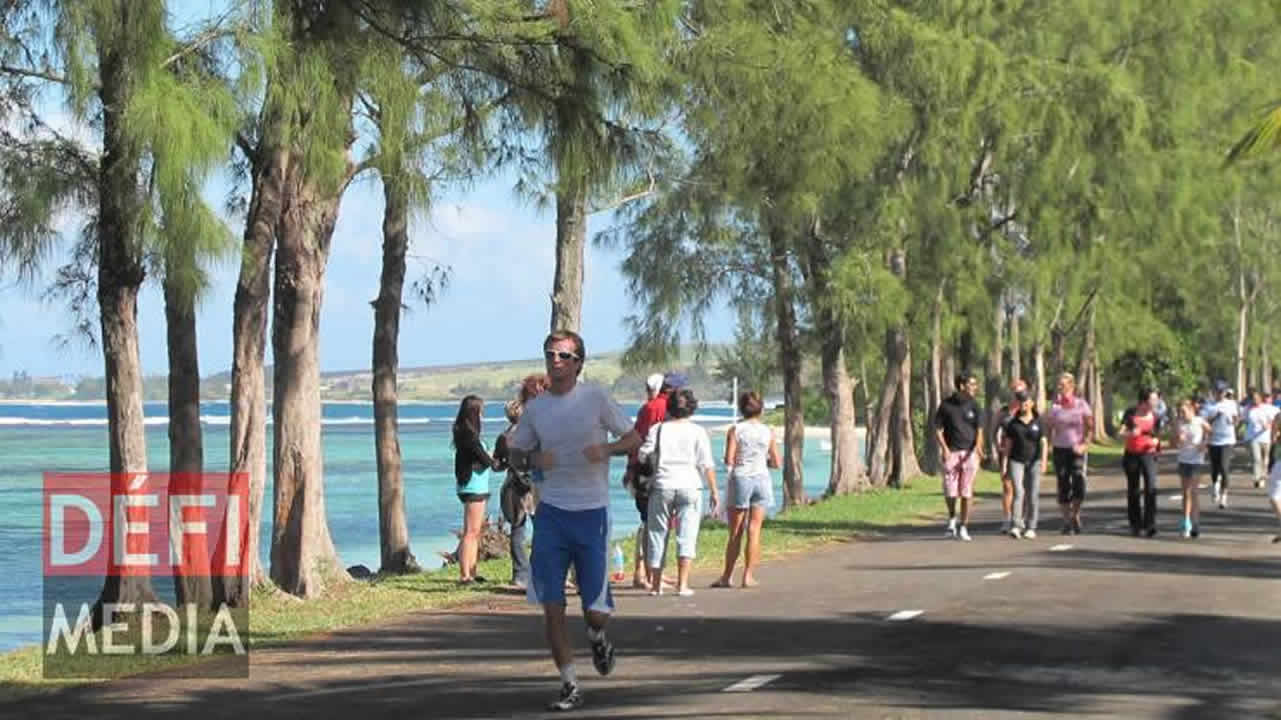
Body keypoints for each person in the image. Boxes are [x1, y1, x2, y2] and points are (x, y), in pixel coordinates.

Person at [507, 330, 640, 712]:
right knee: (552, 606)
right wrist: (533, 460)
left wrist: (607, 449)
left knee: (595, 611)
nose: (556, 361)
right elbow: (515, 454)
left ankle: (597, 637)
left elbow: (633, 438)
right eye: (550, 354)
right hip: (551, 515)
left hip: (592, 514)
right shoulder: (537, 409)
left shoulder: (595, 398)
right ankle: (569, 685)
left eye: (564, 355)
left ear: (578, 362)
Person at [639, 387, 719, 596]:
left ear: (670, 407)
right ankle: (682, 584)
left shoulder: (658, 429)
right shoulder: (698, 431)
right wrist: (714, 491)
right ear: (691, 408)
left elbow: (643, 454)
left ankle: (656, 585)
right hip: (690, 485)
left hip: (662, 485)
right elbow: (706, 464)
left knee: (657, 533)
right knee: (687, 534)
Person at [713, 390, 780, 587]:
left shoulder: (736, 430)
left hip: (741, 478)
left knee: (736, 531)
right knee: (754, 529)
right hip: (762, 479)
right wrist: (762, 461)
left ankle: (727, 576)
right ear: (761, 410)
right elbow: (776, 462)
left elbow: (729, 459)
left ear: (742, 409)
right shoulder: (768, 431)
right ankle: (748, 576)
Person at [621, 372, 670, 590]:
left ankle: (644, 571)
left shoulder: (646, 409)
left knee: (648, 522)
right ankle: (650, 573)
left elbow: (636, 440)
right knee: (654, 523)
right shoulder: (660, 408)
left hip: (642, 470)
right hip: (653, 472)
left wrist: (630, 468)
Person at [452, 395, 501, 584]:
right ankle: (465, 574)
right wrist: (497, 460)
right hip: (473, 486)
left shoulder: (467, 434)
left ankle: (472, 571)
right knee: (471, 532)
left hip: (476, 485)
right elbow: (486, 460)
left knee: (475, 531)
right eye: (481, 411)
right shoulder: (469, 436)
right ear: (475, 412)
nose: (482, 415)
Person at [934, 372, 984, 541]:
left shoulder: (975, 405)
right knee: (950, 491)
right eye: (972, 384)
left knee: (966, 491)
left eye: (975, 384)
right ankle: (952, 519)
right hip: (952, 452)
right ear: (962, 386)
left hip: (969, 453)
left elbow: (979, 430)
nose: (975, 387)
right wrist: (944, 449)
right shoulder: (946, 405)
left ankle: (964, 526)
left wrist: (978, 448)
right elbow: (938, 430)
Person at [1046, 372, 1093, 534]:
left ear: (1071, 386)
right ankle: (1066, 520)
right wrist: (1049, 444)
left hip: (1077, 449)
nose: (1060, 388)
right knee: (1063, 483)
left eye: (1063, 385)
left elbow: (1090, 426)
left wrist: (1084, 444)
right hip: (1060, 449)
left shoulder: (1081, 404)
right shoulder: (1055, 406)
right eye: (1059, 385)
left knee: (1079, 482)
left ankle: (1075, 514)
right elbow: (1049, 427)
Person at [1000, 389, 1047, 539]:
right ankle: (1016, 525)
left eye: (1025, 402)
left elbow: (1044, 443)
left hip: (1034, 461)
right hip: (1016, 461)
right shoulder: (1013, 423)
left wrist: (1044, 461)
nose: (1023, 405)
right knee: (1018, 492)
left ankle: (1031, 526)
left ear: (1031, 403)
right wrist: (1004, 464)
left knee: (1032, 494)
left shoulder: (1039, 421)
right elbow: (1008, 446)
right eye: (1020, 402)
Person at [1119, 388, 1163, 538]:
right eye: (1153, 400)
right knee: (1134, 490)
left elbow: (1158, 435)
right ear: (1144, 401)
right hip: (1132, 455)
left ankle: (1150, 523)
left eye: (1156, 399)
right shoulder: (1130, 413)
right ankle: (1135, 524)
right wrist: (1130, 434)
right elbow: (1121, 433)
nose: (1156, 402)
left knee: (1151, 487)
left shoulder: (1156, 416)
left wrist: (1156, 441)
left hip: (1149, 455)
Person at [994, 379, 1028, 535]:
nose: (1017, 394)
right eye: (1015, 391)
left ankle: (1021, 518)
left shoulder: (1030, 409)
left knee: (1023, 487)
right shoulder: (1003, 411)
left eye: (1020, 391)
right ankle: (1007, 519)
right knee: (1008, 486)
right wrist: (997, 448)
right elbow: (993, 431)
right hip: (1007, 452)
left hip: (1025, 452)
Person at [1174, 397, 1211, 538]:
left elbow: (1210, 432)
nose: (1181, 414)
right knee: (1185, 493)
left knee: (1193, 492)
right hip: (1183, 460)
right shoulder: (1179, 424)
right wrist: (1178, 439)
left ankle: (1194, 523)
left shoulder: (1199, 421)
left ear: (1191, 410)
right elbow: (1172, 442)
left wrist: (1204, 443)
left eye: (1183, 412)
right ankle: (1186, 521)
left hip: (1196, 460)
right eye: (1180, 412)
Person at [1205, 383, 1240, 509]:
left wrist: (1233, 422)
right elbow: (1206, 422)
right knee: (1215, 469)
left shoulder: (1231, 404)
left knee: (1224, 468)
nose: (1220, 394)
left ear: (1225, 392)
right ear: (1214, 392)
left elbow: (1236, 419)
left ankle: (1224, 497)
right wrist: (1215, 417)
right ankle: (1215, 486)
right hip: (1214, 440)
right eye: (1218, 391)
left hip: (1227, 440)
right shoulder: (1210, 405)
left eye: (1222, 392)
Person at [1245, 389, 1279, 489]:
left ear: (1260, 399)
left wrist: (1270, 426)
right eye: (1253, 399)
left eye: (1256, 398)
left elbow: (1276, 419)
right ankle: (1257, 478)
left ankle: (1263, 477)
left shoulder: (1270, 408)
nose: (1255, 400)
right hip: (1253, 438)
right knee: (1257, 459)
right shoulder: (1249, 409)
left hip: (1266, 438)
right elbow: (1245, 420)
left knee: (1265, 459)